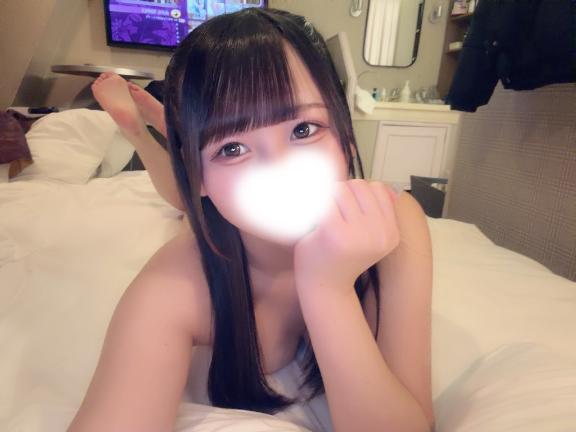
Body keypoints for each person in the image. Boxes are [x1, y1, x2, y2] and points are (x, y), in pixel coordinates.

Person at [69, 7, 434, 432]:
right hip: (208, 209)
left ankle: (181, 131)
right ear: (200, 176)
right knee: (182, 202)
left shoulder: (396, 222)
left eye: (303, 129)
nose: (279, 171)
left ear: (346, 137)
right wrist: (324, 285)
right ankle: (144, 133)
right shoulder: (174, 284)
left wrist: (329, 289)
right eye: (232, 149)